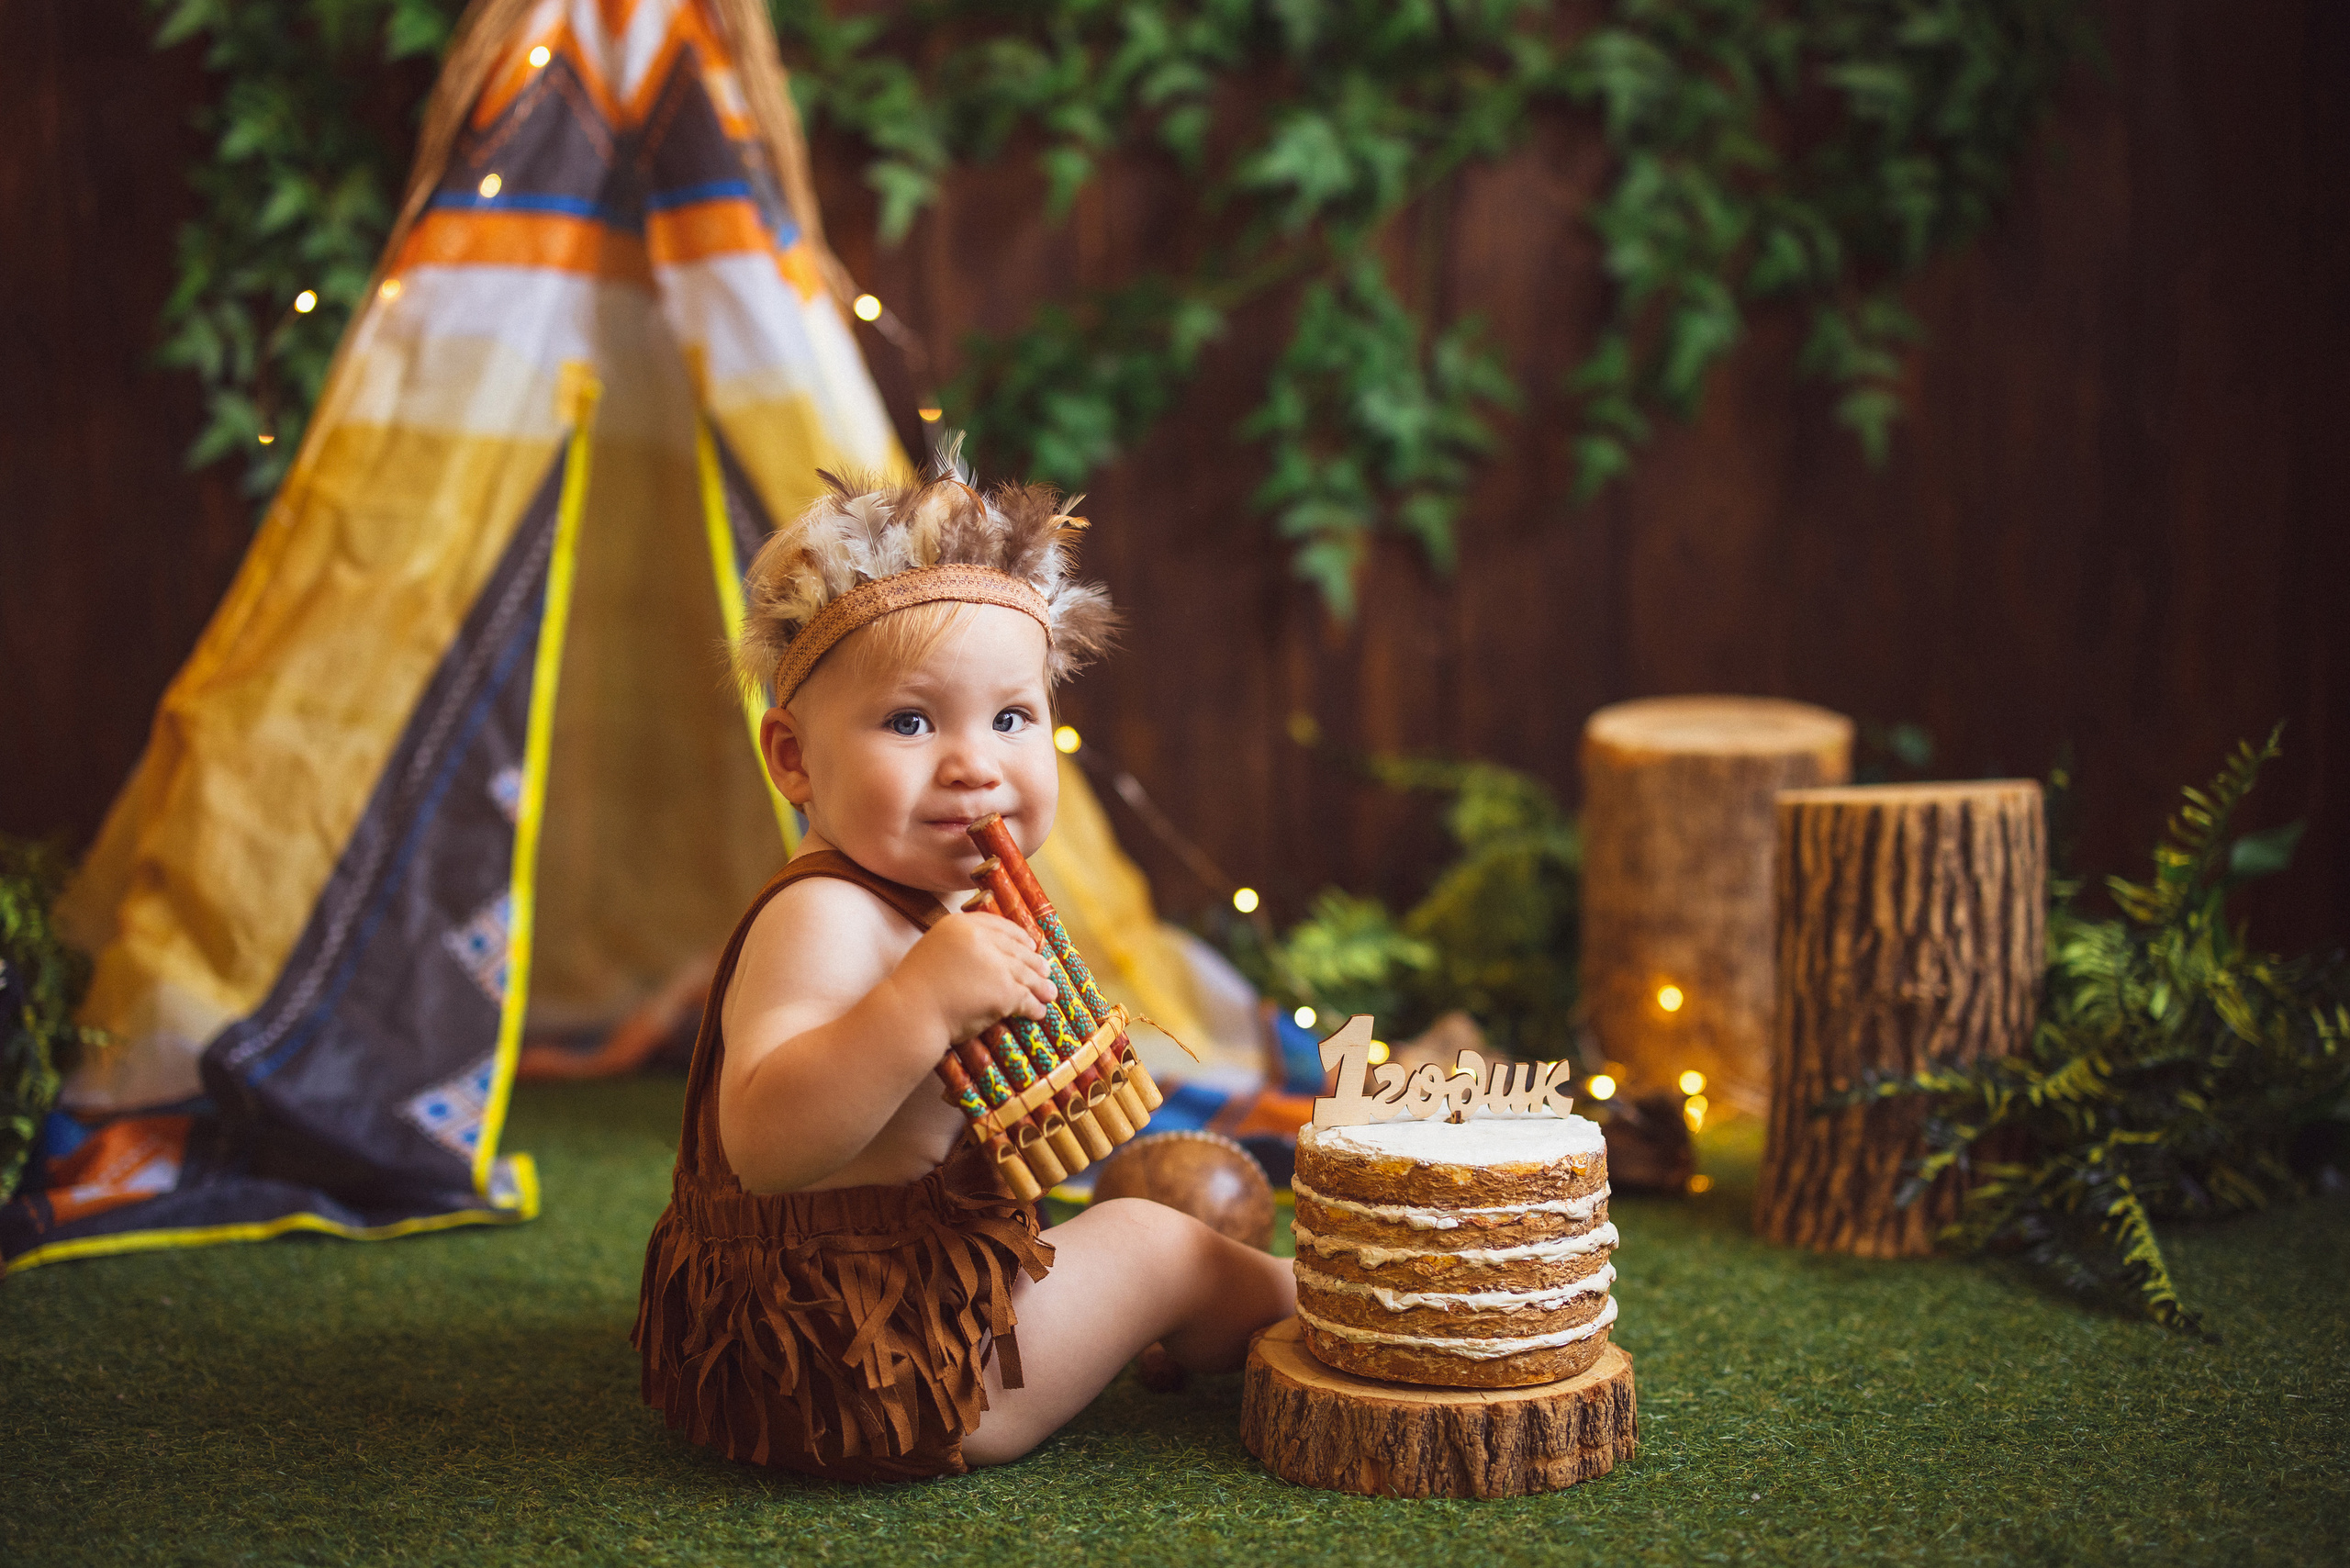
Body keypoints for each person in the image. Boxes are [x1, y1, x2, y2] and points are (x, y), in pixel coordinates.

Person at [634, 465, 1295, 1481]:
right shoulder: (824, 915)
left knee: (1124, 1234)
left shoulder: (935, 888)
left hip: (907, 1308)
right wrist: (918, 1002)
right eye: (910, 722)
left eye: (1011, 718)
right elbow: (763, 1144)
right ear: (795, 761)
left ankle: (1201, 1317)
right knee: (1161, 1246)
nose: (974, 764)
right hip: (884, 1367)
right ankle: (1313, 1310)